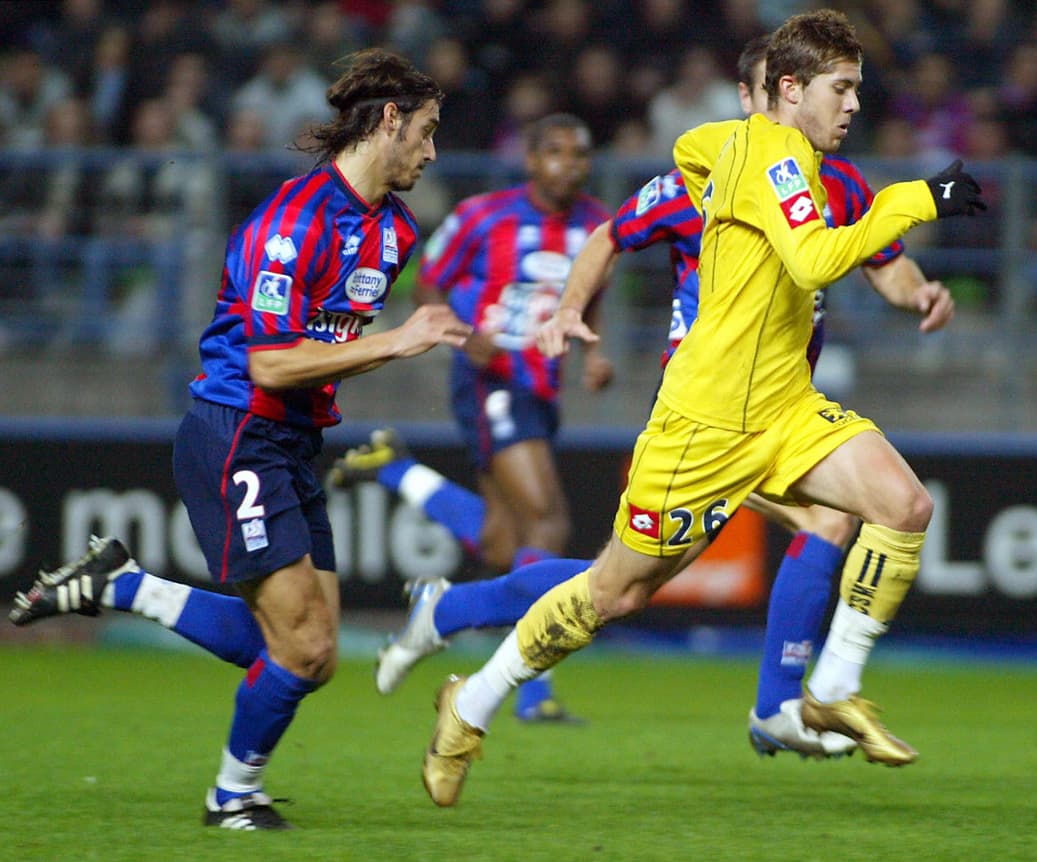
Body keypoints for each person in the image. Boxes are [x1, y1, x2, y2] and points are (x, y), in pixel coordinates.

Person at [333, 32, 955, 761]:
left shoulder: (836, 183)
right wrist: (570, 306)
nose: (846, 105)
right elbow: (608, 238)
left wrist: (919, 296)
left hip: (784, 403)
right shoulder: (705, 178)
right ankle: (775, 706)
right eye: (765, 92)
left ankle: (791, 701)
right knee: (603, 567)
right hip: (702, 415)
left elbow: (884, 262)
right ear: (763, 98)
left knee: (831, 523)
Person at [9, 49, 470, 830]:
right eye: (424, 132)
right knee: (302, 646)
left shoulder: (393, 232)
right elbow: (269, 360)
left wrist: (381, 345)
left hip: (294, 439)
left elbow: (323, 352)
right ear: (388, 120)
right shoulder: (292, 221)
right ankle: (232, 798)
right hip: (237, 430)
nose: (431, 152)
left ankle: (124, 587)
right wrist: (397, 341)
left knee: (308, 652)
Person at [332, 112, 611, 721]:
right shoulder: (483, 215)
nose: (571, 164)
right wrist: (462, 336)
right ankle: (531, 695)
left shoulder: (596, 224)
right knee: (548, 525)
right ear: (532, 160)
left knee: (502, 541)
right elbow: (424, 286)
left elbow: (594, 292)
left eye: (581, 154)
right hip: (491, 380)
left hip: (541, 385)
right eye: (558, 152)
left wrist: (595, 350)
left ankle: (394, 472)